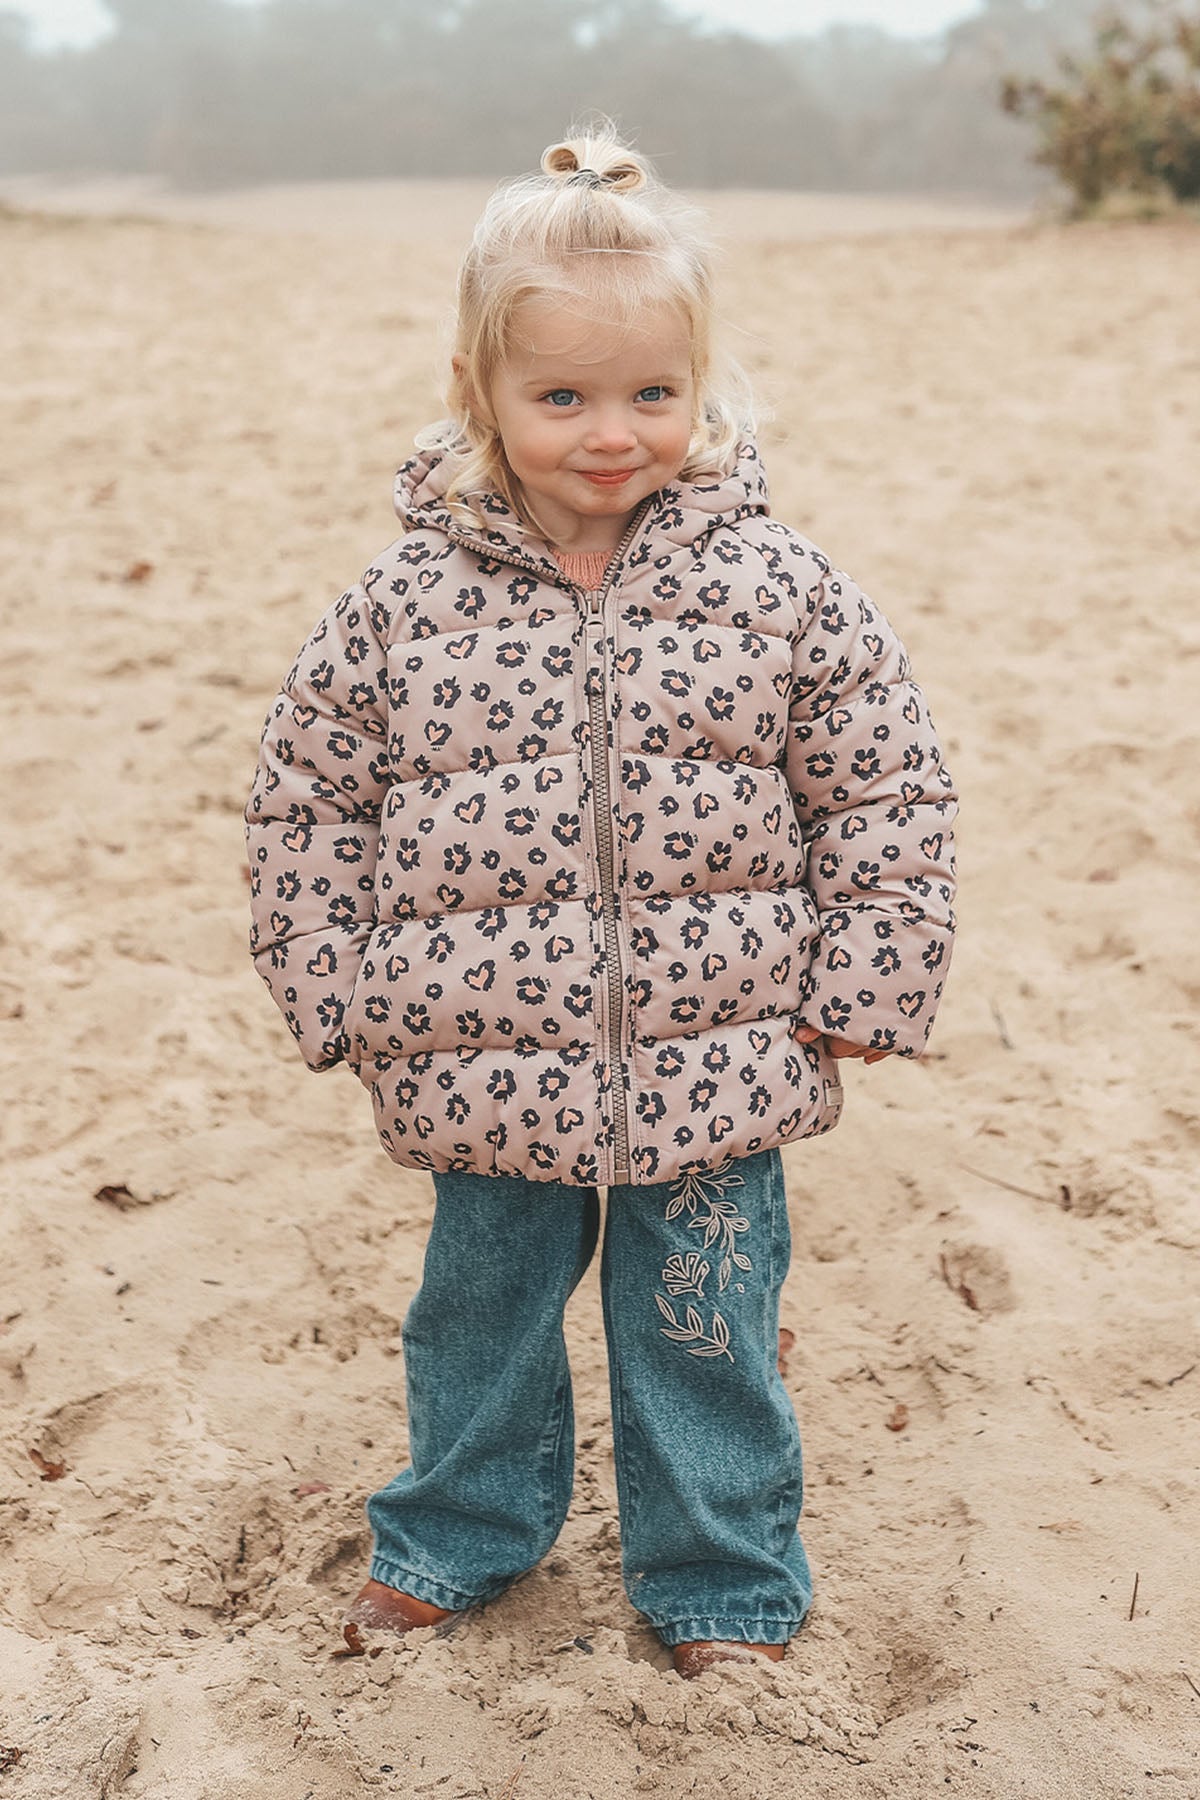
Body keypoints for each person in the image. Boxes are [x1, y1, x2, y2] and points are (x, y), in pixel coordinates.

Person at [244, 120, 957, 1680]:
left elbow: (886, 787)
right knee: (478, 1322)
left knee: (700, 1332)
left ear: (701, 389)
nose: (611, 433)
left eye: (650, 394)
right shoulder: (401, 602)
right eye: (561, 397)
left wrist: (872, 981)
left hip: (722, 1061)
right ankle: (457, 1537)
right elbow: (307, 799)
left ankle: (718, 1578)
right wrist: (336, 991)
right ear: (478, 394)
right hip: (478, 1060)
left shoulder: (775, 584)